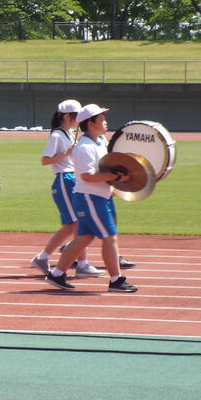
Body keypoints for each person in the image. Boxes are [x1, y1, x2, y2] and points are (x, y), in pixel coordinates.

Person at [45, 104, 138, 293]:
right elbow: (87, 176)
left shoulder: (99, 143)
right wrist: (114, 177)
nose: (105, 122)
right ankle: (116, 280)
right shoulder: (85, 147)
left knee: (83, 238)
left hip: (96, 197)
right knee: (109, 237)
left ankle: (56, 274)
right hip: (90, 198)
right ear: (90, 123)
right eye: (101, 119)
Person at [30, 100, 101, 278]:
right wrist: (66, 154)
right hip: (64, 179)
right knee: (76, 224)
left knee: (70, 226)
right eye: (77, 116)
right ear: (68, 116)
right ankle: (82, 264)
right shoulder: (57, 135)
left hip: (71, 178)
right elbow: (45, 160)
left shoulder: (69, 134)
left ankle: (43, 257)